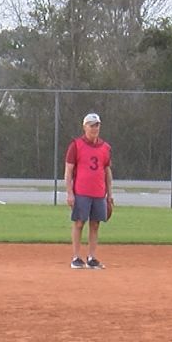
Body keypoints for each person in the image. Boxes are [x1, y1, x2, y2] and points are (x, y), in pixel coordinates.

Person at [64, 112, 113, 269]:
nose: (95, 128)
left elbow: (107, 171)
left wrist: (110, 194)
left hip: (99, 192)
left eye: (97, 125)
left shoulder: (105, 147)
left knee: (95, 224)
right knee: (79, 223)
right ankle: (76, 257)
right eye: (91, 125)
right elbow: (68, 171)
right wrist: (70, 193)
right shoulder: (76, 145)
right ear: (84, 127)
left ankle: (92, 257)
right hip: (81, 191)